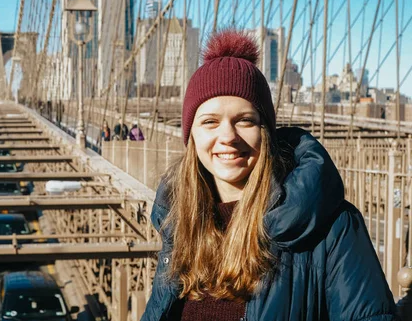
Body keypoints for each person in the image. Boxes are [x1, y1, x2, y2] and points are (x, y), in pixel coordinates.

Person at [142, 30, 397, 320]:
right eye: (210, 121)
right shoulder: (179, 224)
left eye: (245, 120)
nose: (227, 136)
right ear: (191, 136)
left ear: (266, 133)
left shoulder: (333, 227)